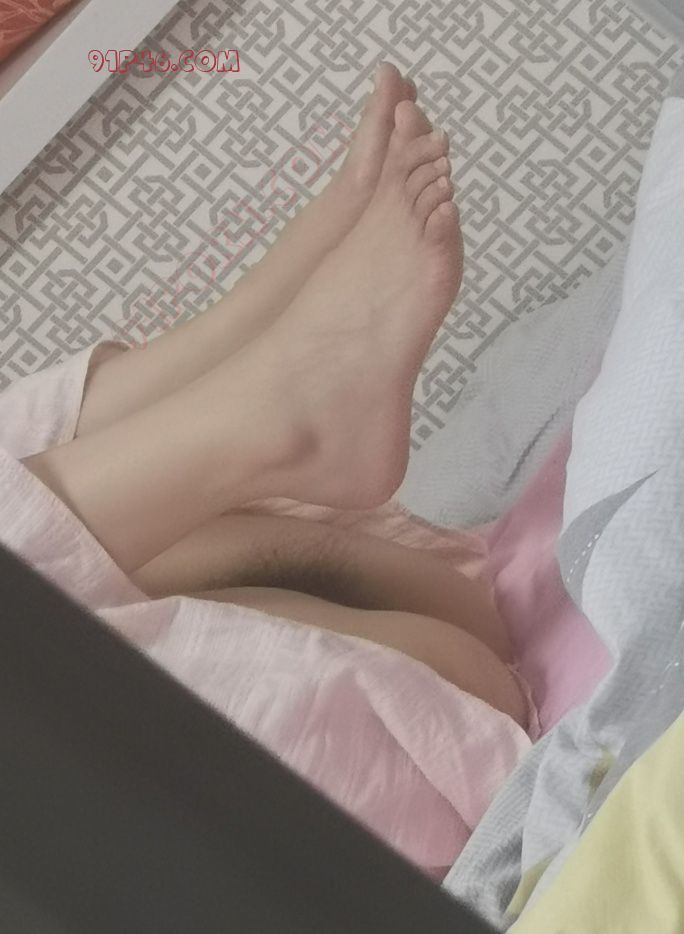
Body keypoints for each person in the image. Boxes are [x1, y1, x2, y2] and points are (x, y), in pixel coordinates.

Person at [1, 63, 537, 878]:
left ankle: (262, 356)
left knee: (58, 495)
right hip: (296, 812)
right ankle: (276, 410)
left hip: (413, 658)